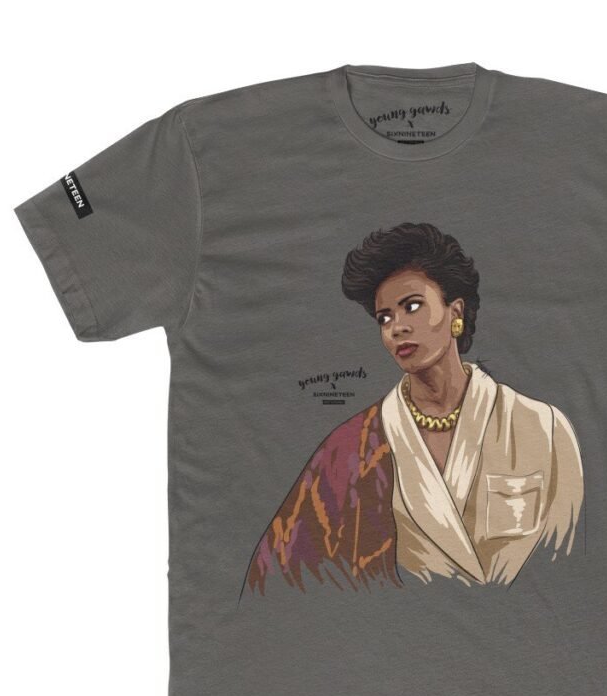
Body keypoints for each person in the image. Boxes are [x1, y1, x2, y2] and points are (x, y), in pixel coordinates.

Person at [242, 222, 585, 597]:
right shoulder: (350, 449)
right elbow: (282, 578)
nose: (397, 328)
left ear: (455, 311)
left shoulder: (544, 428)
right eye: (384, 317)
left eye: (412, 306)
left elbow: (574, 563)